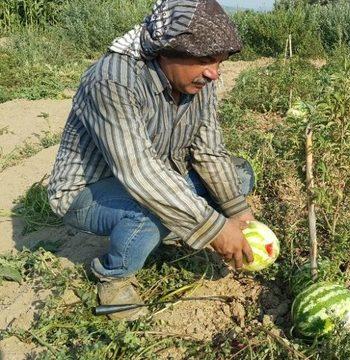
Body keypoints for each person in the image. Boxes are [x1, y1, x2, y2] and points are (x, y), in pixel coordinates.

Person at [47, 0, 255, 320]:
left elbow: (209, 152)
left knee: (239, 177)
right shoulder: (112, 80)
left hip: (151, 174)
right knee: (147, 211)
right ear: (165, 50)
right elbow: (139, 172)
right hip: (87, 190)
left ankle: (168, 225)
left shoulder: (200, 84)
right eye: (204, 60)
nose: (213, 73)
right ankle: (114, 278)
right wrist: (213, 228)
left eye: (220, 61)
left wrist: (238, 214)